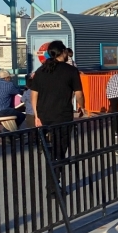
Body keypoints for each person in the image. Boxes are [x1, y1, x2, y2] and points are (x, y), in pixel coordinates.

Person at [29, 40, 86, 201]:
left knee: (49, 152)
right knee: (59, 152)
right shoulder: (71, 71)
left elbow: (34, 95)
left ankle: (52, 185)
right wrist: (82, 107)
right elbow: (79, 93)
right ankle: (53, 186)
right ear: (63, 52)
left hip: (44, 116)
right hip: (62, 116)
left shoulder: (41, 71)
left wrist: (36, 116)